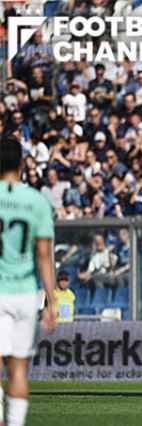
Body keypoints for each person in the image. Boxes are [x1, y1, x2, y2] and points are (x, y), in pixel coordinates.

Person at [0, 138, 56, 426]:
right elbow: (44, 255)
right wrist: (51, 301)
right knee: (18, 369)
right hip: (24, 293)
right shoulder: (37, 201)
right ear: (22, 165)